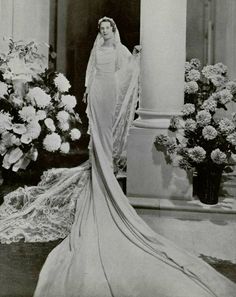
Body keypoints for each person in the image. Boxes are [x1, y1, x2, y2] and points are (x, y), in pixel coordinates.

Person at [1, 17, 236, 297]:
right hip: (98, 90)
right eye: (101, 29)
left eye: (107, 28)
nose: (103, 31)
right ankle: (98, 159)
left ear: (114, 29)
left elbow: (126, 71)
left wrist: (137, 57)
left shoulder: (120, 49)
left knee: (107, 132)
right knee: (96, 132)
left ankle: (105, 164)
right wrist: (88, 91)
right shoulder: (97, 47)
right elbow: (90, 74)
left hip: (110, 90)